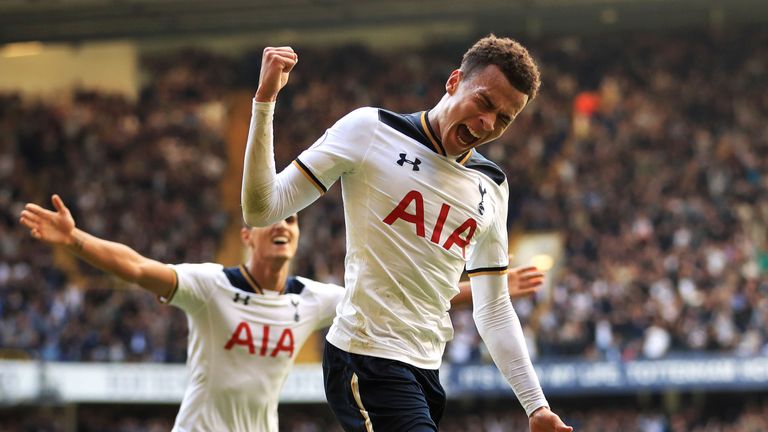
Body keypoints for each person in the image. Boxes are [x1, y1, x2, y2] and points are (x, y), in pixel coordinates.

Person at [241, 35, 572, 431]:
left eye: (504, 119)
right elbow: (262, 209)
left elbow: (494, 308)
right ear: (454, 82)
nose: (488, 124)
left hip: (427, 370)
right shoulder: (371, 130)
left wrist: (536, 407)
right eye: (484, 103)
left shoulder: (491, 186)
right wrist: (265, 102)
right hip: (365, 355)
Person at [20, 194, 544, 432]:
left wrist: (481, 289)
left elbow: (393, 300)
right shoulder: (209, 286)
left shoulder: (309, 298)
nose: (284, 226)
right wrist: (75, 239)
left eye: (292, 220)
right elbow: (137, 267)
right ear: (246, 234)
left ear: (295, 236)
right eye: (271, 220)